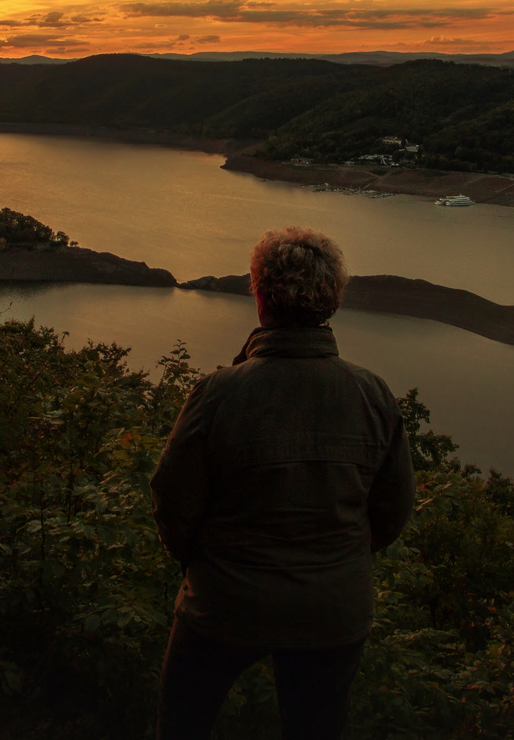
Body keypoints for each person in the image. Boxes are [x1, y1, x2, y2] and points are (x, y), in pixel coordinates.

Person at [150, 226, 415, 740]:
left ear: (260, 296)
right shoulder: (372, 394)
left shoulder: (219, 393)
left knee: (183, 723)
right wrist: (336, 560)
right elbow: (393, 511)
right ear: (331, 301)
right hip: (332, 609)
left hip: (226, 601)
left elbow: (171, 499)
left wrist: (202, 562)